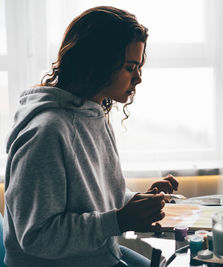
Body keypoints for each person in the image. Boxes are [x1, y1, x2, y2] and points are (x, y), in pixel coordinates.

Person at [4, 6, 178, 267]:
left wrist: (141, 201)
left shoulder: (93, 113)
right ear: (98, 63)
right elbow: (37, 236)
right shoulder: (46, 133)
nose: (138, 78)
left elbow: (102, 202)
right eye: (131, 67)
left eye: (139, 66)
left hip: (97, 255)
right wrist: (119, 220)